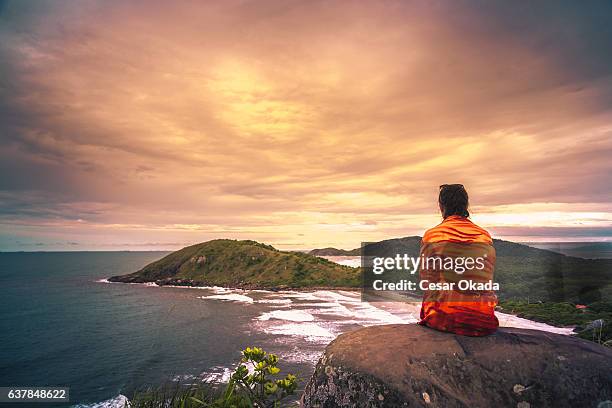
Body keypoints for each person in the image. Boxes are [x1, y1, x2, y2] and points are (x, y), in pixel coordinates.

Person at [418, 184, 499, 336]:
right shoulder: (484, 236)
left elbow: (427, 280)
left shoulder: (433, 236)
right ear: (466, 205)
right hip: (483, 319)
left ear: (441, 207)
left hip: (444, 318)